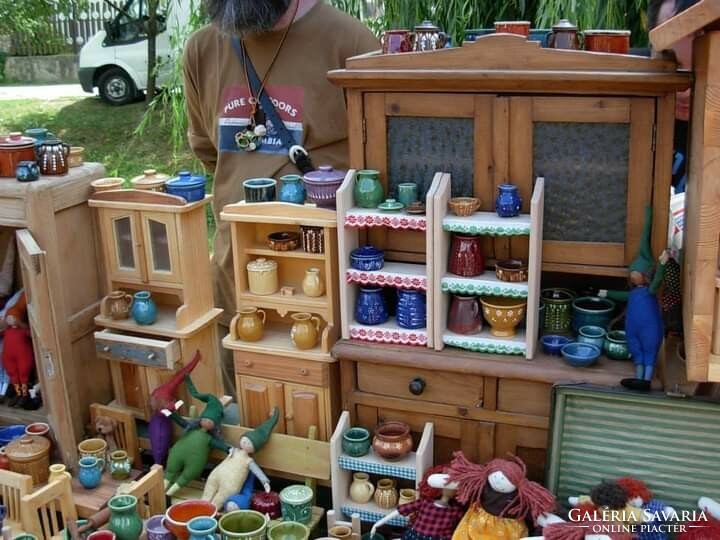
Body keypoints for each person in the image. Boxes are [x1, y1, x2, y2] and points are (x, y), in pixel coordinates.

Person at [184, 0, 378, 390]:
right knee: (248, 408)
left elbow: (379, 162)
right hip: (234, 273)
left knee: (325, 406)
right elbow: (208, 153)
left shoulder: (353, 44)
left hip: (323, 281)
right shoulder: (203, 49)